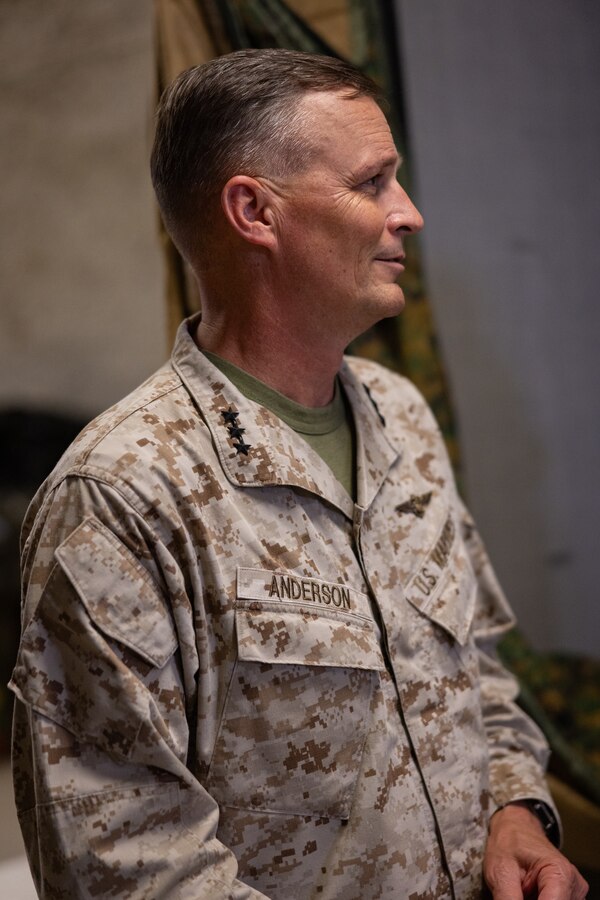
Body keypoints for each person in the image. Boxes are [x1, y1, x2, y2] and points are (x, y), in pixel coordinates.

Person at [10, 49, 587, 900]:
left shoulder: (402, 420)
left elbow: (481, 678)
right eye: (373, 182)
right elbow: (128, 866)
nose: (410, 213)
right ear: (255, 211)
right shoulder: (124, 495)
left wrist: (516, 815)